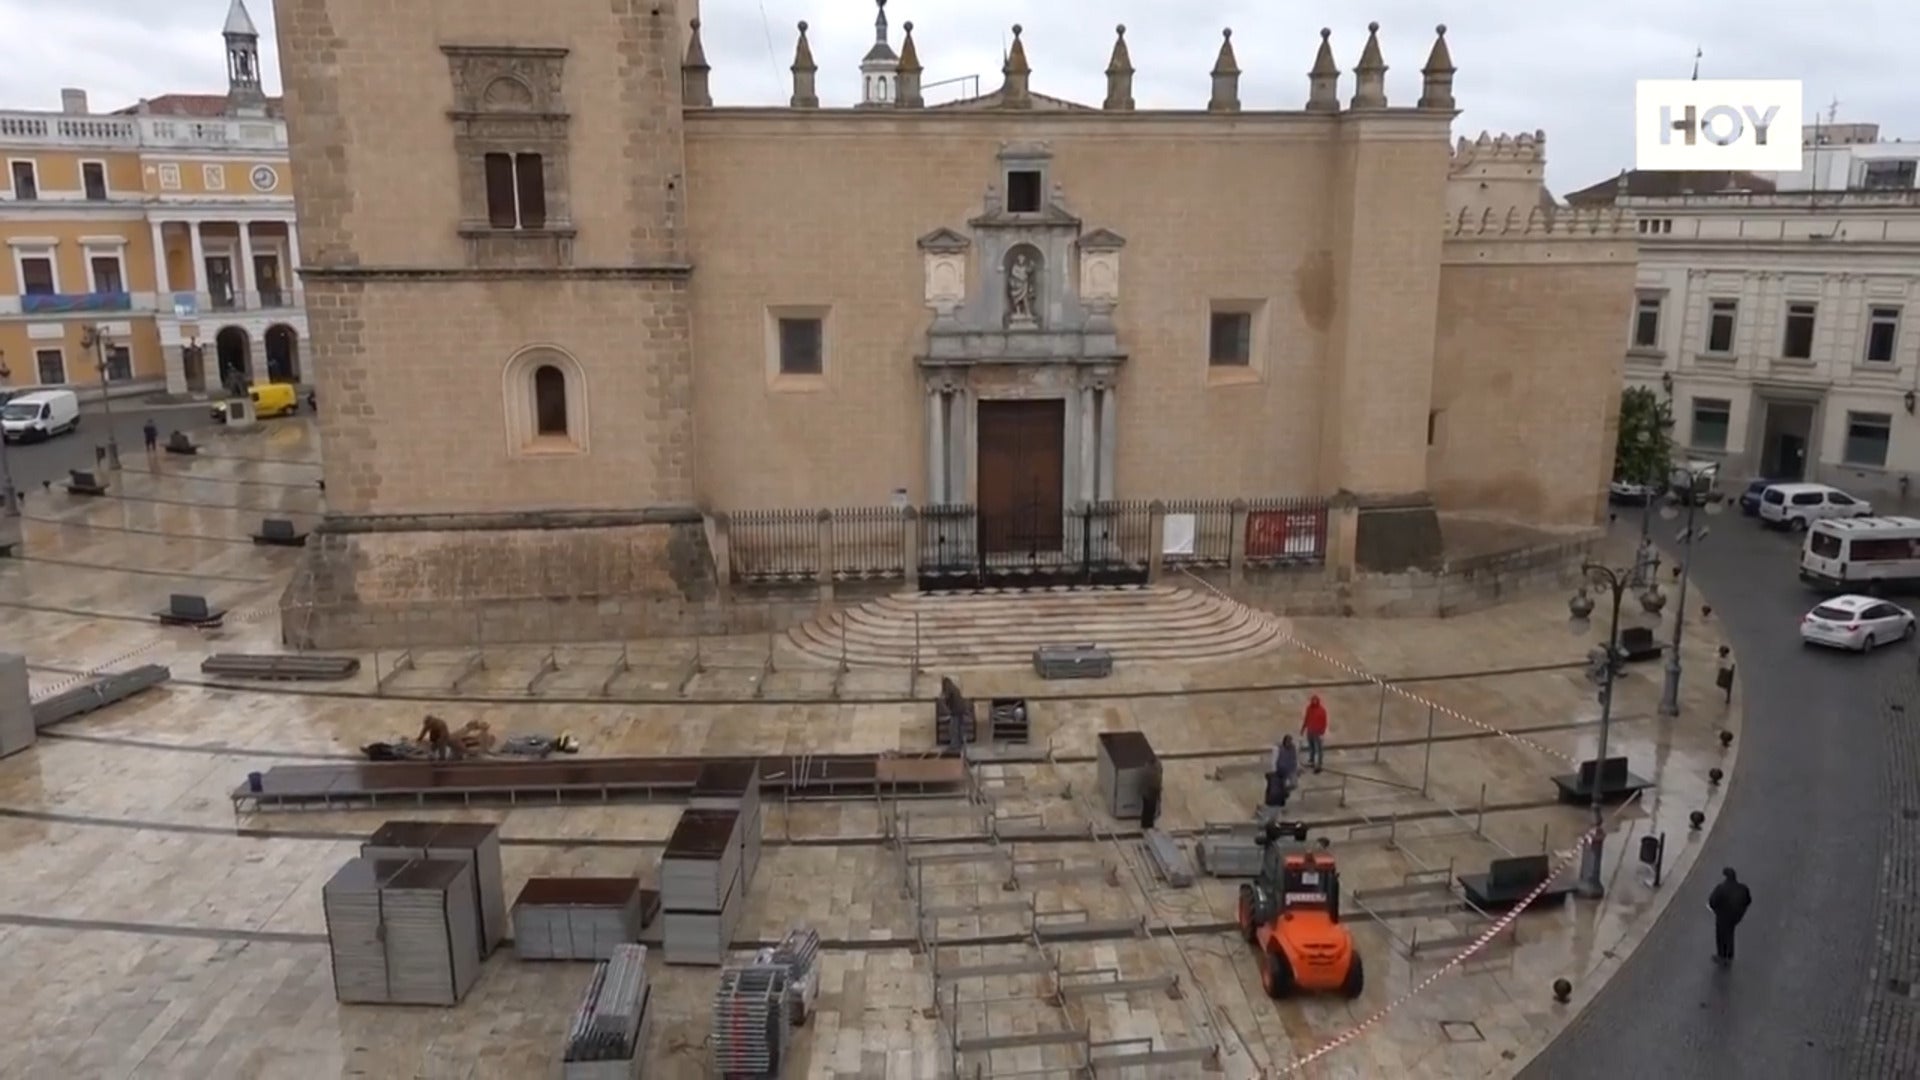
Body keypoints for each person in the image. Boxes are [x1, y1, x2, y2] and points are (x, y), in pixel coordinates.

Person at [1707, 867, 1752, 965]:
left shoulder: (1721, 888)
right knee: (1730, 933)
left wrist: (1716, 910)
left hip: (1723, 916)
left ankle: (1722, 955)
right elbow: (1748, 900)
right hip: (1736, 916)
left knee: (1721, 935)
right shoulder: (1743, 888)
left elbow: (1712, 901)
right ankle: (1730, 954)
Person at [1264, 735, 1299, 808]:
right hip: (1281, 770)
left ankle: (1285, 792)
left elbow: (1295, 758)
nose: (1289, 743)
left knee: (1294, 784)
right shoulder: (1278, 749)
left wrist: (1298, 767)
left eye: (1290, 742)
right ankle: (1282, 798)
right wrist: (1274, 770)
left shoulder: (1293, 748)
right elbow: (1274, 760)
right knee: (1281, 786)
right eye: (1288, 742)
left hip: (1291, 769)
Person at [1301, 694, 1329, 773]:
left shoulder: (1322, 710)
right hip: (1310, 731)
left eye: (1315, 700)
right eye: (1313, 700)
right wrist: (1303, 728)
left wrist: (1322, 732)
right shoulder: (1309, 709)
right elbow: (1306, 718)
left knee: (1319, 749)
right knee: (1311, 747)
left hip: (1318, 733)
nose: (1314, 702)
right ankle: (1312, 761)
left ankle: (1319, 764)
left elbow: (1324, 722)